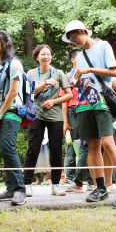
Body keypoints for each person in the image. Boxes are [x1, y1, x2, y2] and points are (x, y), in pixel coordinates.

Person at [62, 20, 116, 209]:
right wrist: (75, 80)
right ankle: (99, 187)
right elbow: (80, 81)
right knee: (92, 145)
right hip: (84, 105)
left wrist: (90, 70)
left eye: (74, 36)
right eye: (71, 39)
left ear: (83, 31)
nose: (74, 41)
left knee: (109, 143)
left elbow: (114, 73)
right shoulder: (80, 57)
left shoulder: (103, 46)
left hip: (102, 103)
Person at [23, 44, 72, 197]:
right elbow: (29, 92)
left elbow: (69, 95)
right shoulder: (30, 73)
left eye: (48, 54)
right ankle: (26, 184)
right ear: (37, 57)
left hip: (55, 115)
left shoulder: (58, 73)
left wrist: (54, 102)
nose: (46, 57)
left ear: (51, 56)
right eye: (42, 54)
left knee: (56, 150)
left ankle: (56, 184)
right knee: (33, 148)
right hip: (36, 114)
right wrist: (45, 83)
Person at [0, 30, 27, 206]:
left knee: (8, 147)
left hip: (12, 111)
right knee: (4, 149)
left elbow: (13, 92)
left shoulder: (14, 64)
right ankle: (11, 188)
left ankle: (19, 189)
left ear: (5, 44)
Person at [63, 49, 94, 192]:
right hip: (72, 112)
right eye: (79, 57)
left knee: (86, 147)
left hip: (87, 110)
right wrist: (65, 121)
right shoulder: (67, 76)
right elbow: (65, 101)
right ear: (73, 60)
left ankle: (86, 180)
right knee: (73, 147)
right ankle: (70, 178)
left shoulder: (88, 74)